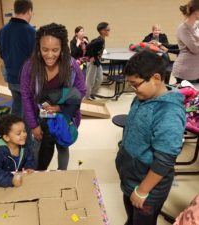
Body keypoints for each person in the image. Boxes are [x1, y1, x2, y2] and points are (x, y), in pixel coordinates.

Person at [115, 50, 186, 225]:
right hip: (131, 178)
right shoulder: (141, 97)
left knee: (143, 220)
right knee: (132, 217)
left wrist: (142, 191)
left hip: (148, 189)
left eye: (135, 84)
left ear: (155, 78)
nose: (133, 89)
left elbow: (165, 159)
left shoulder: (169, 112)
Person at [20, 23, 86, 170]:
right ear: (38, 47)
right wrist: (34, 125)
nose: (50, 55)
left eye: (55, 50)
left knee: (63, 147)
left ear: (62, 47)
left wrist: (59, 108)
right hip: (40, 118)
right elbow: (26, 97)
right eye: (45, 49)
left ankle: (62, 175)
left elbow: (81, 91)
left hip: (65, 118)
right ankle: (38, 176)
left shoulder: (71, 66)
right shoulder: (30, 67)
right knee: (39, 148)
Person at [0, 0, 35, 117]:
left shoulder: (2, 31)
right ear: (29, 11)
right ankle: (26, 136)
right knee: (28, 114)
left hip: (11, 78)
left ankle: (14, 134)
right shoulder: (31, 32)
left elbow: (2, 55)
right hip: (26, 80)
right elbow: (35, 60)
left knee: (17, 108)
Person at [0, 114, 35, 187]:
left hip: (18, 185)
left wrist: (29, 167)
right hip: (3, 188)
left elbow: (30, 159)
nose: (24, 135)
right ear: (6, 137)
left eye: (24, 131)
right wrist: (10, 180)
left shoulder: (24, 147)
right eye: (18, 133)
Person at [172, 0, 199, 84]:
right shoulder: (183, 28)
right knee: (188, 96)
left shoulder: (196, 24)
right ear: (196, 12)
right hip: (185, 71)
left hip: (196, 69)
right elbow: (195, 49)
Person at [85, 22, 110, 100]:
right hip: (92, 62)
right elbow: (88, 46)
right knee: (90, 80)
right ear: (102, 31)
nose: (109, 31)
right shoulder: (99, 40)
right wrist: (91, 56)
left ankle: (92, 93)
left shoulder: (101, 39)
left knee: (99, 79)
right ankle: (87, 96)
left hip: (97, 61)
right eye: (108, 29)